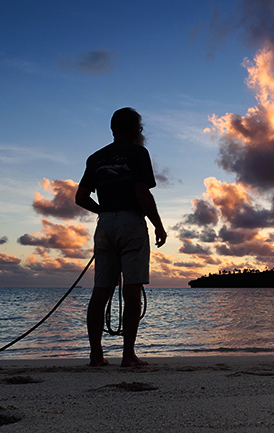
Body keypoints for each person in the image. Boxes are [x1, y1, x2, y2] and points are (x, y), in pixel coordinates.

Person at [75, 107, 167, 367]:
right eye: (140, 128)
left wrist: (103, 210)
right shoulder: (139, 153)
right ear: (135, 129)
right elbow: (142, 193)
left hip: (105, 224)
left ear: (113, 129)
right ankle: (128, 356)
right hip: (130, 222)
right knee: (132, 290)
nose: (141, 132)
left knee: (100, 291)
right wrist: (158, 225)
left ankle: (96, 355)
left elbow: (80, 198)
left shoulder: (95, 158)